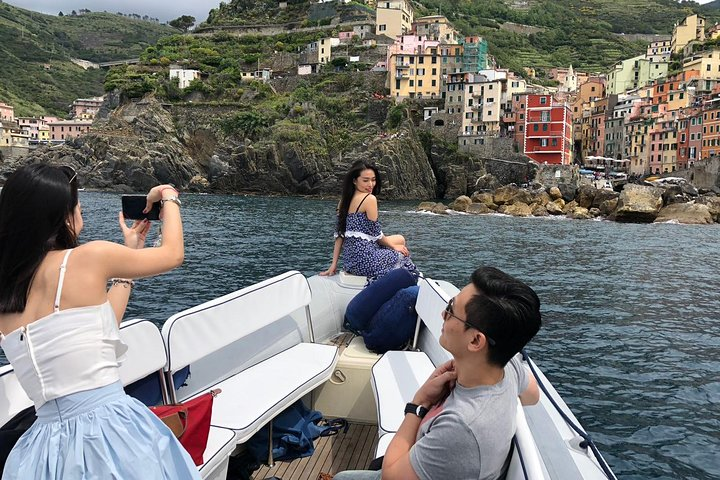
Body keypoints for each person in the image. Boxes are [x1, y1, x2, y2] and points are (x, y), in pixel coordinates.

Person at [0, 164, 199, 479]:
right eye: (78, 206)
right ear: (65, 216)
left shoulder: (7, 291)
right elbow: (173, 253)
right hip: (108, 434)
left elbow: (99, 327)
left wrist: (130, 252)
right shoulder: (88, 258)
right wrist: (168, 196)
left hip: (44, 451)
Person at [333, 266, 542, 480]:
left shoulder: (462, 427)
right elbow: (533, 395)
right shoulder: (506, 367)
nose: (443, 313)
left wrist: (419, 403)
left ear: (475, 341)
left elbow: (391, 476)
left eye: (451, 310)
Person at [319, 160, 417, 282]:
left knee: (400, 239)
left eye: (373, 180)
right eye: (365, 180)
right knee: (401, 251)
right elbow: (377, 234)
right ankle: (402, 281)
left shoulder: (343, 201)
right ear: (354, 181)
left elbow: (339, 235)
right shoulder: (369, 199)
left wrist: (333, 265)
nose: (371, 184)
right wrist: (394, 247)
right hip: (366, 261)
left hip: (350, 263)